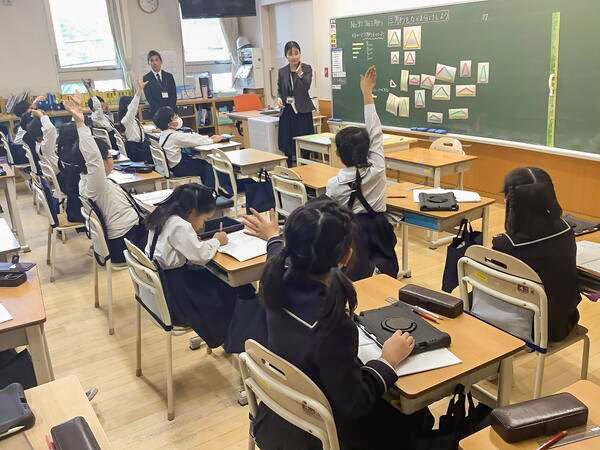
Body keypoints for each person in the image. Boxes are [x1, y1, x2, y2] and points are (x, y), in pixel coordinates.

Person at [242, 200, 432, 450]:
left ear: (292, 246)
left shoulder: (274, 280)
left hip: (278, 416)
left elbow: (276, 253)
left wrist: (272, 236)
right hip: (324, 434)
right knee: (417, 416)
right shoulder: (332, 326)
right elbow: (354, 404)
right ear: (346, 256)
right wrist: (387, 360)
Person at [144, 183, 257, 349]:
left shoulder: (162, 214)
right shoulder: (179, 226)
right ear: (192, 212)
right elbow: (201, 256)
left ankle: (233, 335)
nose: (202, 225)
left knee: (223, 280)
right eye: (204, 219)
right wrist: (217, 240)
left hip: (165, 286)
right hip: (179, 296)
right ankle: (237, 339)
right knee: (235, 286)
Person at [480, 167, 581, 343]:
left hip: (522, 328)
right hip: (562, 323)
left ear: (509, 200)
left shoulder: (506, 244)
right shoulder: (566, 230)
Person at [326, 66, 398, 280]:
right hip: (379, 233)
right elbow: (375, 132)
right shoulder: (377, 169)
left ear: (339, 154)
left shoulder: (334, 184)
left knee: (356, 277)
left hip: (352, 240)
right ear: (368, 149)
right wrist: (367, 94)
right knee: (384, 274)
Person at [63, 94, 147, 264]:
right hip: (126, 242)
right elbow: (92, 157)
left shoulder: (85, 180)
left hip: (126, 235)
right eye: (109, 157)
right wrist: (80, 123)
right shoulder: (95, 184)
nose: (112, 160)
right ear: (100, 163)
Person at [154, 106, 223, 185]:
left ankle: (206, 187)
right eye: (175, 117)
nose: (178, 118)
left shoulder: (164, 134)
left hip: (173, 167)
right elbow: (193, 140)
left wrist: (207, 137)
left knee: (200, 162)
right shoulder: (175, 136)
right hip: (180, 168)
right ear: (171, 124)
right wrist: (211, 140)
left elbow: (190, 137)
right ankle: (208, 190)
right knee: (208, 167)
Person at [277, 41, 315, 167]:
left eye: (296, 53)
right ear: (286, 56)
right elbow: (280, 89)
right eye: (290, 54)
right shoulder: (282, 71)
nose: (294, 57)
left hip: (302, 111)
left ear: (300, 53)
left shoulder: (307, 68)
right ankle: (289, 169)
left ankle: (306, 168)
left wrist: (300, 74)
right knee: (287, 142)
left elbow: (307, 86)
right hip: (287, 110)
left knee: (305, 142)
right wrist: (279, 98)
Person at [118, 79, 153, 163]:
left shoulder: (133, 119)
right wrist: (139, 89)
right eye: (137, 106)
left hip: (140, 147)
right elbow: (132, 108)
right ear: (127, 107)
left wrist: (153, 130)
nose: (138, 108)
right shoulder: (127, 119)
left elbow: (139, 130)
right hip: (135, 150)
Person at [10, 96, 44, 165]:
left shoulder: (24, 123)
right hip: (22, 155)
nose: (33, 110)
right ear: (24, 113)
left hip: (19, 153)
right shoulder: (27, 125)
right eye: (30, 108)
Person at [143, 50, 177, 116]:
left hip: (171, 111)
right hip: (156, 113)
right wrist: (161, 111)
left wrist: (169, 109)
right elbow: (149, 98)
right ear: (149, 63)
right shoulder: (146, 78)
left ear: (161, 61)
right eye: (152, 61)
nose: (155, 63)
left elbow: (173, 95)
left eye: (156, 60)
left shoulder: (169, 76)